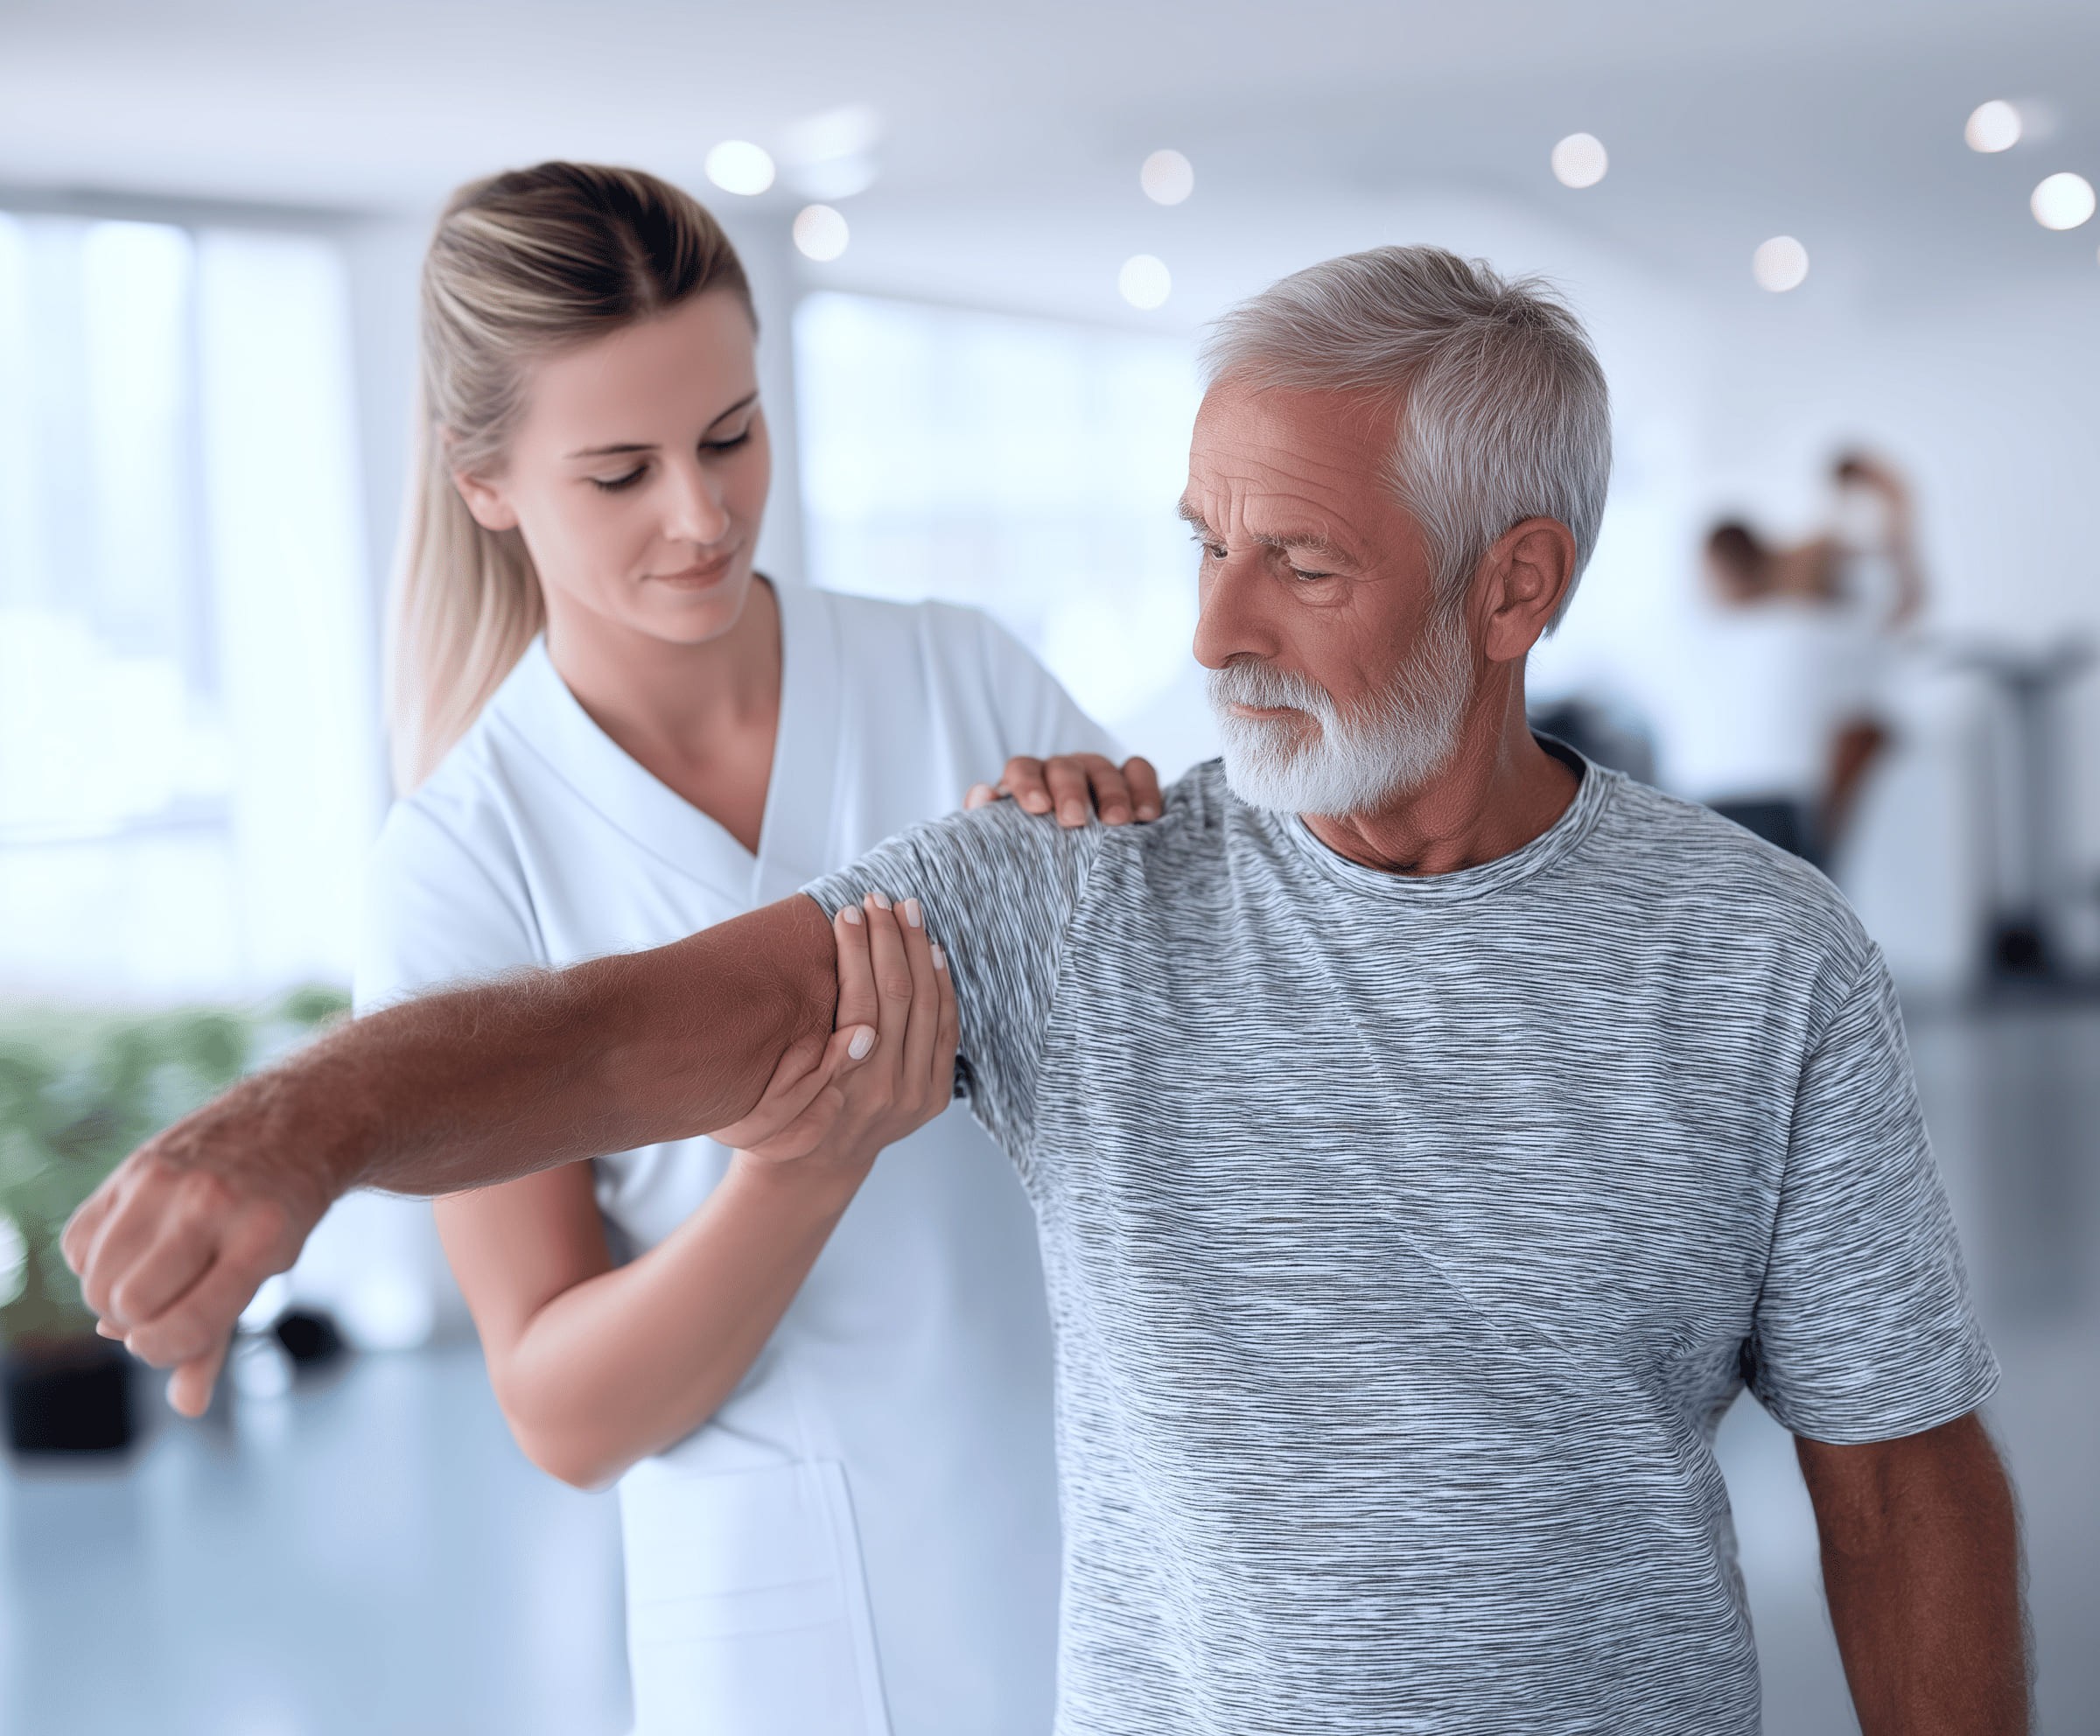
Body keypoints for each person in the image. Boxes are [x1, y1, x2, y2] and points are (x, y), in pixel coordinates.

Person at [69, 246, 2026, 1735]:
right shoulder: (1075, 889)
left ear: (1513, 589)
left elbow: (1900, 1480)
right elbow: (638, 1024)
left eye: (1300, 567)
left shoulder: (1764, 957)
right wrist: (300, 1121)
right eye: (1200, 545)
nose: (1211, 630)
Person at [354, 163, 1158, 1736]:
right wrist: (797, 1173)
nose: (701, 513)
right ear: (486, 480)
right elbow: (563, 1410)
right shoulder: (464, 865)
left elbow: (1196, 1087)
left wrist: (1129, 860)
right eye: (619, 471)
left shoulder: (964, 679)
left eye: (730, 434)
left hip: (1116, 1541)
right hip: (796, 1628)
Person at [1675, 453, 1927, 868]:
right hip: (1781, 814)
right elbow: (1907, 609)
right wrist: (1897, 505)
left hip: (1697, 812)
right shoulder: (1813, 633)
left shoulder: (1699, 636)